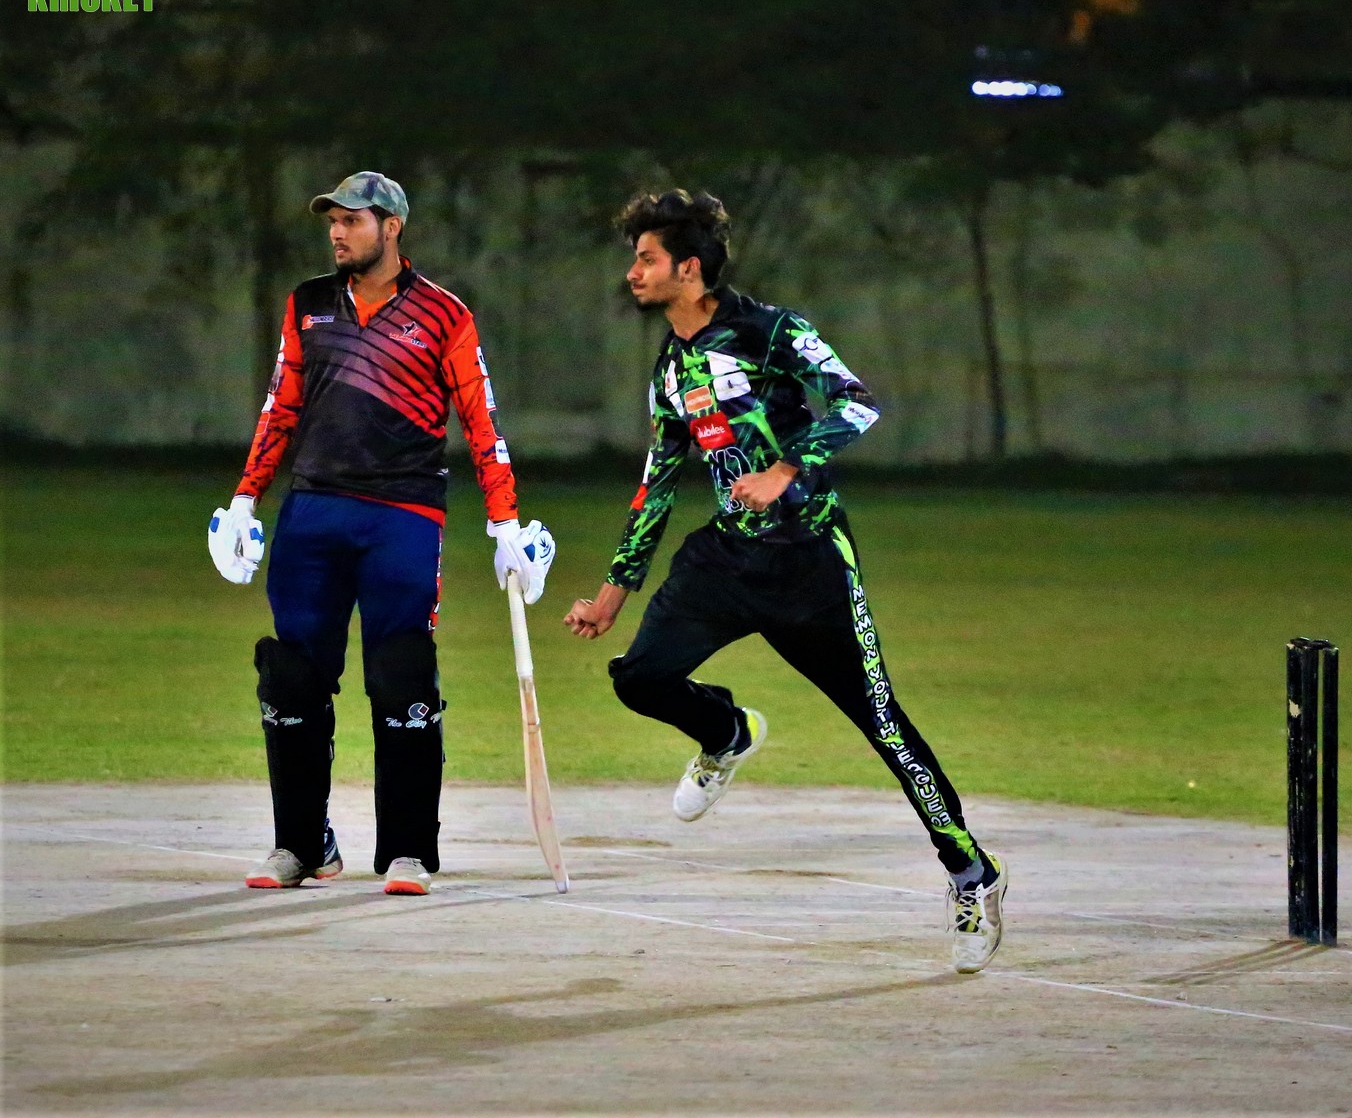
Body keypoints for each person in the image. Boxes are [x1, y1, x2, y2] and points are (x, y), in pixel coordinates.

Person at [564, 189, 1006, 971]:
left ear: (688, 269)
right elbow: (658, 481)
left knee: (883, 724)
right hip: (724, 563)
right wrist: (612, 592)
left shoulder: (771, 330)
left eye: (647, 259)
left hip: (810, 566)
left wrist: (786, 468)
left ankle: (973, 874)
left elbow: (859, 403)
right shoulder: (669, 365)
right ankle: (725, 733)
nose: (633, 272)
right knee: (638, 678)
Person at [208, 170, 554, 897]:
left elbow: (481, 420)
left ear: (391, 227)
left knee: (401, 674)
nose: (337, 233)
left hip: (403, 514)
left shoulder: (444, 315)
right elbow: (280, 408)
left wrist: (505, 522)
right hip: (314, 509)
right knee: (291, 676)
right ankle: (301, 844)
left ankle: (407, 851)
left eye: (353, 221)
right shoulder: (308, 304)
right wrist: (244, 499)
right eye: (332, 221)